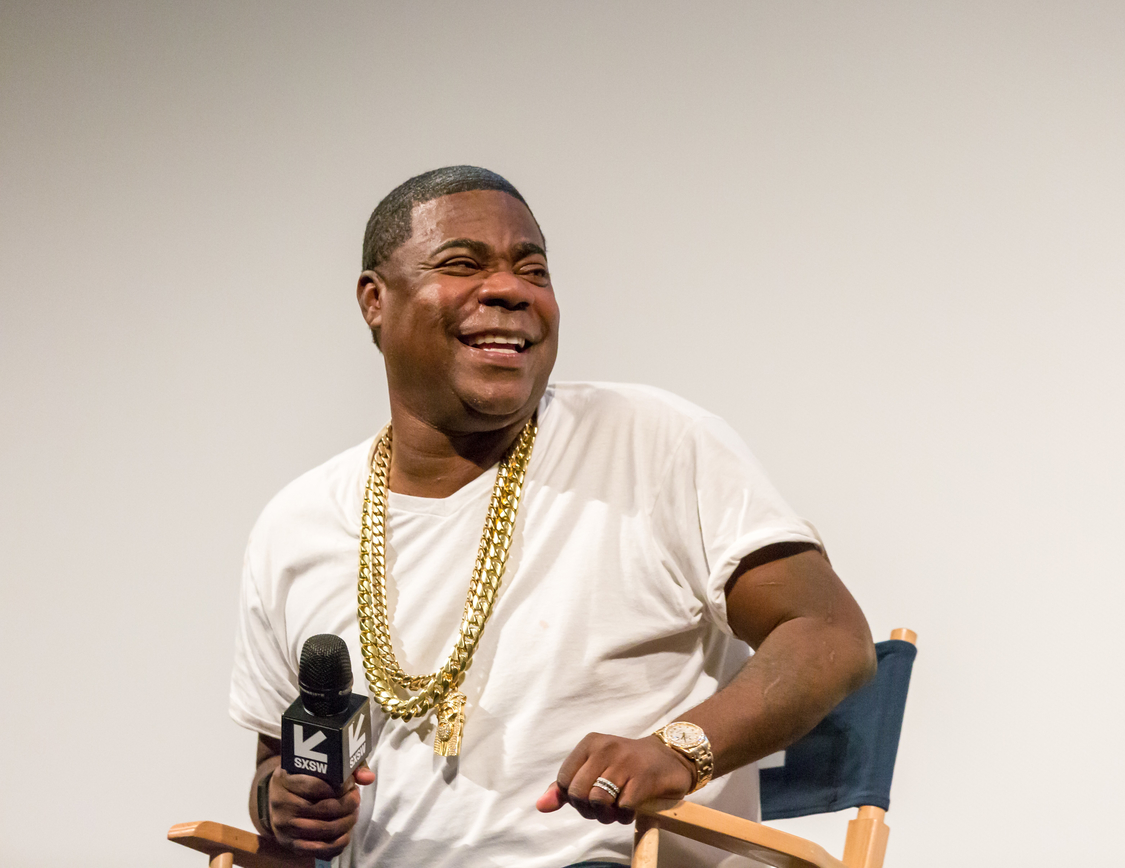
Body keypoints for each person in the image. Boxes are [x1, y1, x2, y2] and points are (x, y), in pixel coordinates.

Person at [229, 166, 876, 868]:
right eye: (462, 263)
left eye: (532, 270)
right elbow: (273, 769)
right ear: (375, 301)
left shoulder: (653, 443)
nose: (510, 289)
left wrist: (677, 750)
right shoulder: (296, 525)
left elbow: (829, 635)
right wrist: (280, 803)